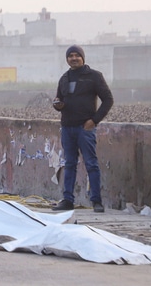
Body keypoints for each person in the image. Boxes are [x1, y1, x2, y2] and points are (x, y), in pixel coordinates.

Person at [51, 45, 114, 213]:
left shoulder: (94, 76)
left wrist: (94, 120)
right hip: (67, 128)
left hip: (85, 128)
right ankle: (67, 200)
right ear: (67, 59)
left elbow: (108, 100)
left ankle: (96, 201)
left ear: (83, 58)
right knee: (69, 164)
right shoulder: (64, 78)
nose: (74, 58)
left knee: (91, 164)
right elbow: (59, 99)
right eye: (70, 56)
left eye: (77, 55)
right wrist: (58, 104)